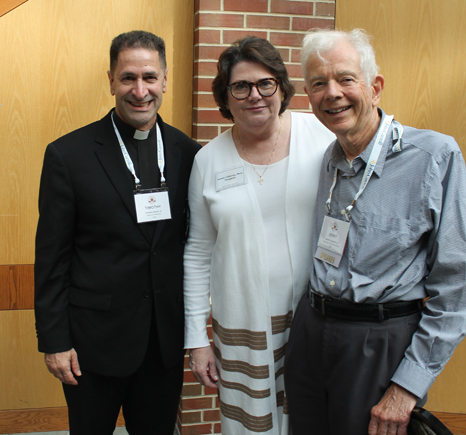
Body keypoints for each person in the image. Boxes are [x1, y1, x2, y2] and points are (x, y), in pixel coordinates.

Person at [284, 28, 466, 435]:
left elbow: (458, 291)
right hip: (312, 332)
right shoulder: (330, 159)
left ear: (375, 87)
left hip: (379, 342)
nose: (332, 93)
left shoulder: (434, 157)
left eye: (345, 78)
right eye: (318, 84)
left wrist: (407, 387)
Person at [34, 30, 200, 435]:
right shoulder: (68, 155)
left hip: (162, 347)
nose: (139, 90)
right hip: (92, 347)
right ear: (111, 80)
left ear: (165, 81)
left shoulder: (189, 154)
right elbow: (52, 257)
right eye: (128, 78)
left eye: (149, 77)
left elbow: (194, 245)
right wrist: (54, 340)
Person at [183, 36, 335, 435]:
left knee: (312, 418)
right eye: (241, 86)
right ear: (226, 96)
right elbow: (198, 254)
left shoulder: (319, 137)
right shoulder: (208, 160)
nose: (255, 95)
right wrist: (197, 341)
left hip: (313, 321)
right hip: (241, 327)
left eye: (265, 83)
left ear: (282, 88)